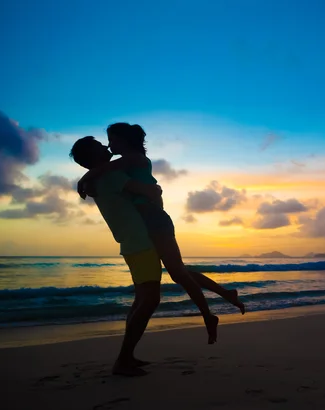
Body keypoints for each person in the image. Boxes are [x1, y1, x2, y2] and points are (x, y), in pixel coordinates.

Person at [76, 123, 244, 345]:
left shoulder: (132, 159)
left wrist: (84, 178)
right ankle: (225, 295)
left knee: (178, 273)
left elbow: (104, 170)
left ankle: (209, 315)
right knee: (179, 271)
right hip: (151, 223)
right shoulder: (121, 168)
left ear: (125, 140)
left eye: (112, 140)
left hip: (155, 222)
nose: (109, 145)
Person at [69, 136, 164, 377]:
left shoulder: (100, 178)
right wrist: (155, 189)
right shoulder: (111, 176)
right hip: (141, 242)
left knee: (141, 300)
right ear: (93, 156)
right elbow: (149, 191)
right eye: (100, 146)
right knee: (149, 300)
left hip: (131, 243)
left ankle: (127, 356)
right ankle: (123, 360)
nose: (107, 147)